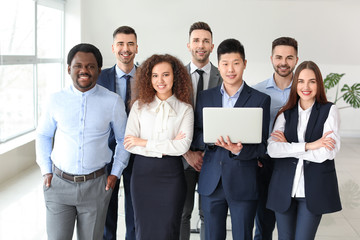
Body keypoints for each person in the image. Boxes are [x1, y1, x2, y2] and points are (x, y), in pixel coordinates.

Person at [36, 43, 130, 240]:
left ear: (99, 70)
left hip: (96, 186)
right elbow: (44, 135)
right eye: (78, 65)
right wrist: (46, 169)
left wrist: (115, 173)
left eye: (90, 66)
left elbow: (123, 140)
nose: (84, 70)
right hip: (59, 185)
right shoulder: (55, 100)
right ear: (69, 68)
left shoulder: (112, 101)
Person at [192, 38, 270, 240]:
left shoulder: (260, 100)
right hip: (212, 181)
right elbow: (196, 136)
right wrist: (210, 139)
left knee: (243, 236)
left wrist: (238, 150)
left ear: (244, 63)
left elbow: (262, 146)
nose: (231, 69)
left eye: (236, 63)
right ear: (219, 66)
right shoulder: (205, 97)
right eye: (225, 64)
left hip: (244, 181)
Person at [267, 61, 342, 240]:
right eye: (300, 81)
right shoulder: (285, 113)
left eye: (312, 81)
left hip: (312, 190)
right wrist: (310, 145)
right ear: (295, 84)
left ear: (319, 84)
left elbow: (328, 152)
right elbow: (273, 149)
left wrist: (289, 147)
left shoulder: (329, 110)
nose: (305, 87)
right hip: (284, 188)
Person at [124, 54, 194, 240]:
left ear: (175, 77)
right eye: (155, 75)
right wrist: (168, 144)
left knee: (168, 231)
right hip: (142, 176)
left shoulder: (185, 109)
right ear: (149, 78)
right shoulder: (139, 106)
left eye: (165, 75)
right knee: (143, 230)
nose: (160, 80)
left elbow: (182, 146)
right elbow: (129, 143)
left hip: (171, 175)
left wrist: (144, 142)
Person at [252, 37, 299, 240]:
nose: (283, 62)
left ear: (296, 60)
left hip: (295, 163)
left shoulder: (304, 90)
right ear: (271, 58)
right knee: (263, 225)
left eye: (289, 57)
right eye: (279, 57)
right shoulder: (257, 91)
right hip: (266, 164)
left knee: (290, 227)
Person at [181, 21, 222, 240]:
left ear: (212, 46)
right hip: (182, 156)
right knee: (182, 213)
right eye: (196, 40)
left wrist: (208, 152)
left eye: (205, 41)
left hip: (212, 157)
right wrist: (187, 152)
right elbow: (169, 118)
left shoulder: (223, 75)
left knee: (210, 214)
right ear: (188, 45)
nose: (201, 45)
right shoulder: (175, 76)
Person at [97, 26, 138, 240]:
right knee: (106, 208)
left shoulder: (148, 77)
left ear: (137, 48)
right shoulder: (100, 77)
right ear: (113, 48)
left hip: (138, 151)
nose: (125, 48)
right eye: (121, 44)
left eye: (130, 44)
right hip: (106, 151)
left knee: (135, 208)